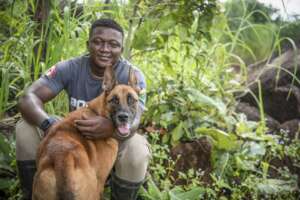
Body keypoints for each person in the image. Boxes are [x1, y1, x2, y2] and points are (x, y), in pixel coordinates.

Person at [16, 18, 150, 200]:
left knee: (138, 149)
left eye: (113, 44)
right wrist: (49, 125)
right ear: (88, 44)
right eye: (98, 42)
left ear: (121, 49)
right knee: (25, 128)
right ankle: (34, 191)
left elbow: (136, 119)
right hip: (76, 140)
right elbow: (27, 98)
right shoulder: (70, 67)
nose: (105, 49)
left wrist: (110, 128)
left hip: (115, 136)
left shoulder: (132, 75)